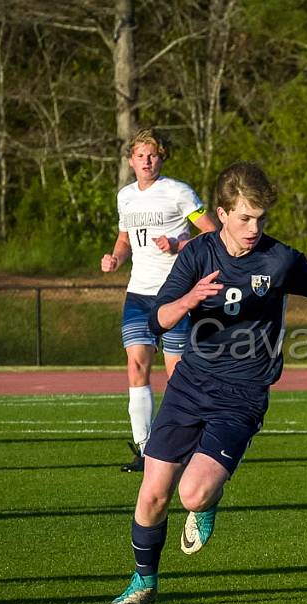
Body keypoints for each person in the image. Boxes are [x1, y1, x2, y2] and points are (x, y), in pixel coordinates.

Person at [108, 161, 307, 604]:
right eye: (244, 217)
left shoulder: (280, 260)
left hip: (242, 394)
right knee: (152, 494)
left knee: (192, 493)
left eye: (260, 218)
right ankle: (143, 581)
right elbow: (158, 319)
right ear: (221, 214)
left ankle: (206, 505)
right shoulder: (197, 254)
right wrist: (188, 299)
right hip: (189, 384)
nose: (253, 227)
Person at [101, 127, 218, 473]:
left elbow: (212, 233)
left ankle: (183, 445)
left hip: (175, 295)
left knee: (177, 374)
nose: (147, 161)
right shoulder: (125, 197)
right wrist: (115, 258)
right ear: (131, 161)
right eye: (140, 155)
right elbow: (124, 240)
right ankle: (143, 449)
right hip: (138, 293)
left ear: (160, 157)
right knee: (136, 365)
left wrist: (179, 245)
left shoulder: (178, 192)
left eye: (152, 155)